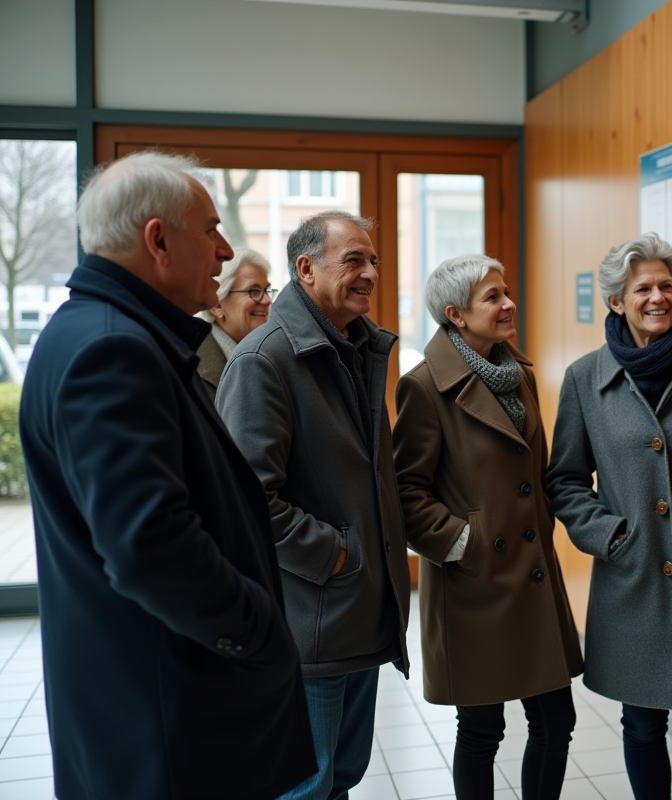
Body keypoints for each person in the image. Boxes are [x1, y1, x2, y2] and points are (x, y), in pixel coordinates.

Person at [18, 151, 316, 800]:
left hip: (150, 703)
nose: (224, 251)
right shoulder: (113, 350)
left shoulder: (95, 332)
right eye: (210, 231)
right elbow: (150, 545)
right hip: (169, 717)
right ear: (157, 240)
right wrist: (260, 629)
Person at [547, 232, 672, 800]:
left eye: (666, 286)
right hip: (631, 578)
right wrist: (611, 537)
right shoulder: (585, 378)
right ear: (617, 301)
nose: (658, 298)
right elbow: (565, 480)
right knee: (640, 724)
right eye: (643, 289)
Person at [217, 210, 412, 800]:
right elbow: (247, 500)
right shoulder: (263, 360)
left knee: (341, 778)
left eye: (373, 260)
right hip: (311, 623)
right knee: (306, 785)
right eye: (353, 260)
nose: (370, 273)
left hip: (360, 614)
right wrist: (338, 556)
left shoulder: (356, 348)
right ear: (306, 268)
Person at [393, 254, 584, 800]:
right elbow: (406, 492)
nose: (509, 304)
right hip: (473, 582)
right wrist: (464, 543)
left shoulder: (519, 374)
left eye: (506, 293)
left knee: (556, 721)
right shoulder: (423, 387)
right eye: (493, 297)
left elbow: (533, 473)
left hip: (531, 574)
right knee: (482, 731)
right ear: (456, 314)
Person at [197, 247, 276, 399]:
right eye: (254, 291)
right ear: (217, 306)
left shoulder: (272, 354)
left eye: (266, 290)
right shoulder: (192, 366)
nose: (267, 301)